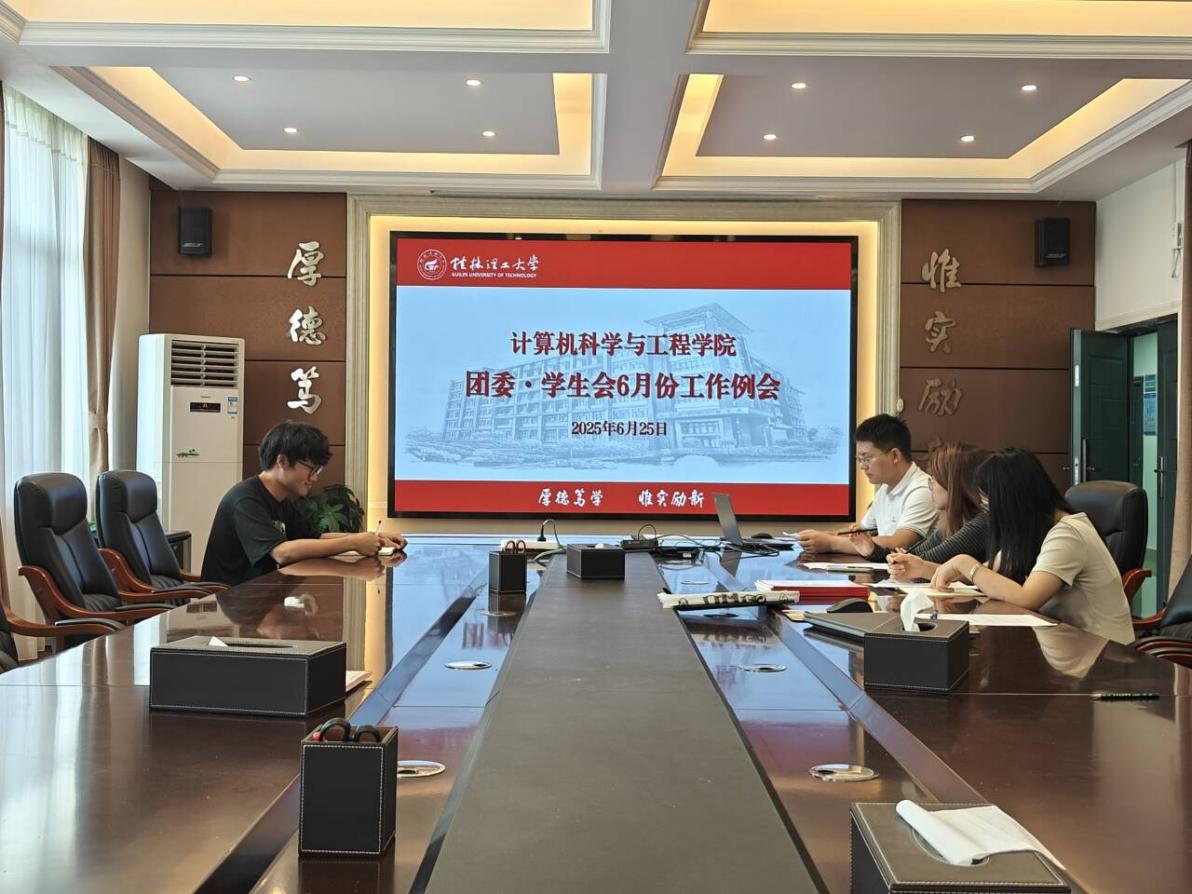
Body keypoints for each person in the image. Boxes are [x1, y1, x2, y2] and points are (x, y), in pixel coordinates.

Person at [929, 448, 1135, 645]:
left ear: (1012, 502)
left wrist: (964, 563)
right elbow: (990, 571)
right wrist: (936, 569)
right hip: (1065, 640)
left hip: (1102, 650)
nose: (990, 514)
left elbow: (1027, 598)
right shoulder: (1035, 530)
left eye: (990, 505)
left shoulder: (1068, 534)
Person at [202, 421, 407, 586]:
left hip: (262, 594)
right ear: (282, 461)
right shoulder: (245, 499)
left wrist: (373, 538)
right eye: (312, 469)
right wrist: (354, 543)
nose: (315, 478)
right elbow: (282, 553)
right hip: (232, 604)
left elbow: (315, 537)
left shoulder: (281, 500)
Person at [796, 414, 936, 555]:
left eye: (867, 458)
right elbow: (861, 533)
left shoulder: (923, 490)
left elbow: (900, 543)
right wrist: (824, 536)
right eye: (859, 459)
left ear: (894, 456)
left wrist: (832, 543)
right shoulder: (885, 488)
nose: (862, 466)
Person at [852, 442, 990, 579]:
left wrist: (900, 560)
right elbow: (912, 555)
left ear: (954, 484)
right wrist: (872, 550)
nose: (930, 486)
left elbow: (916, 563)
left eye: (934, 480)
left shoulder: (981, 524)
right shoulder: (951, 523)